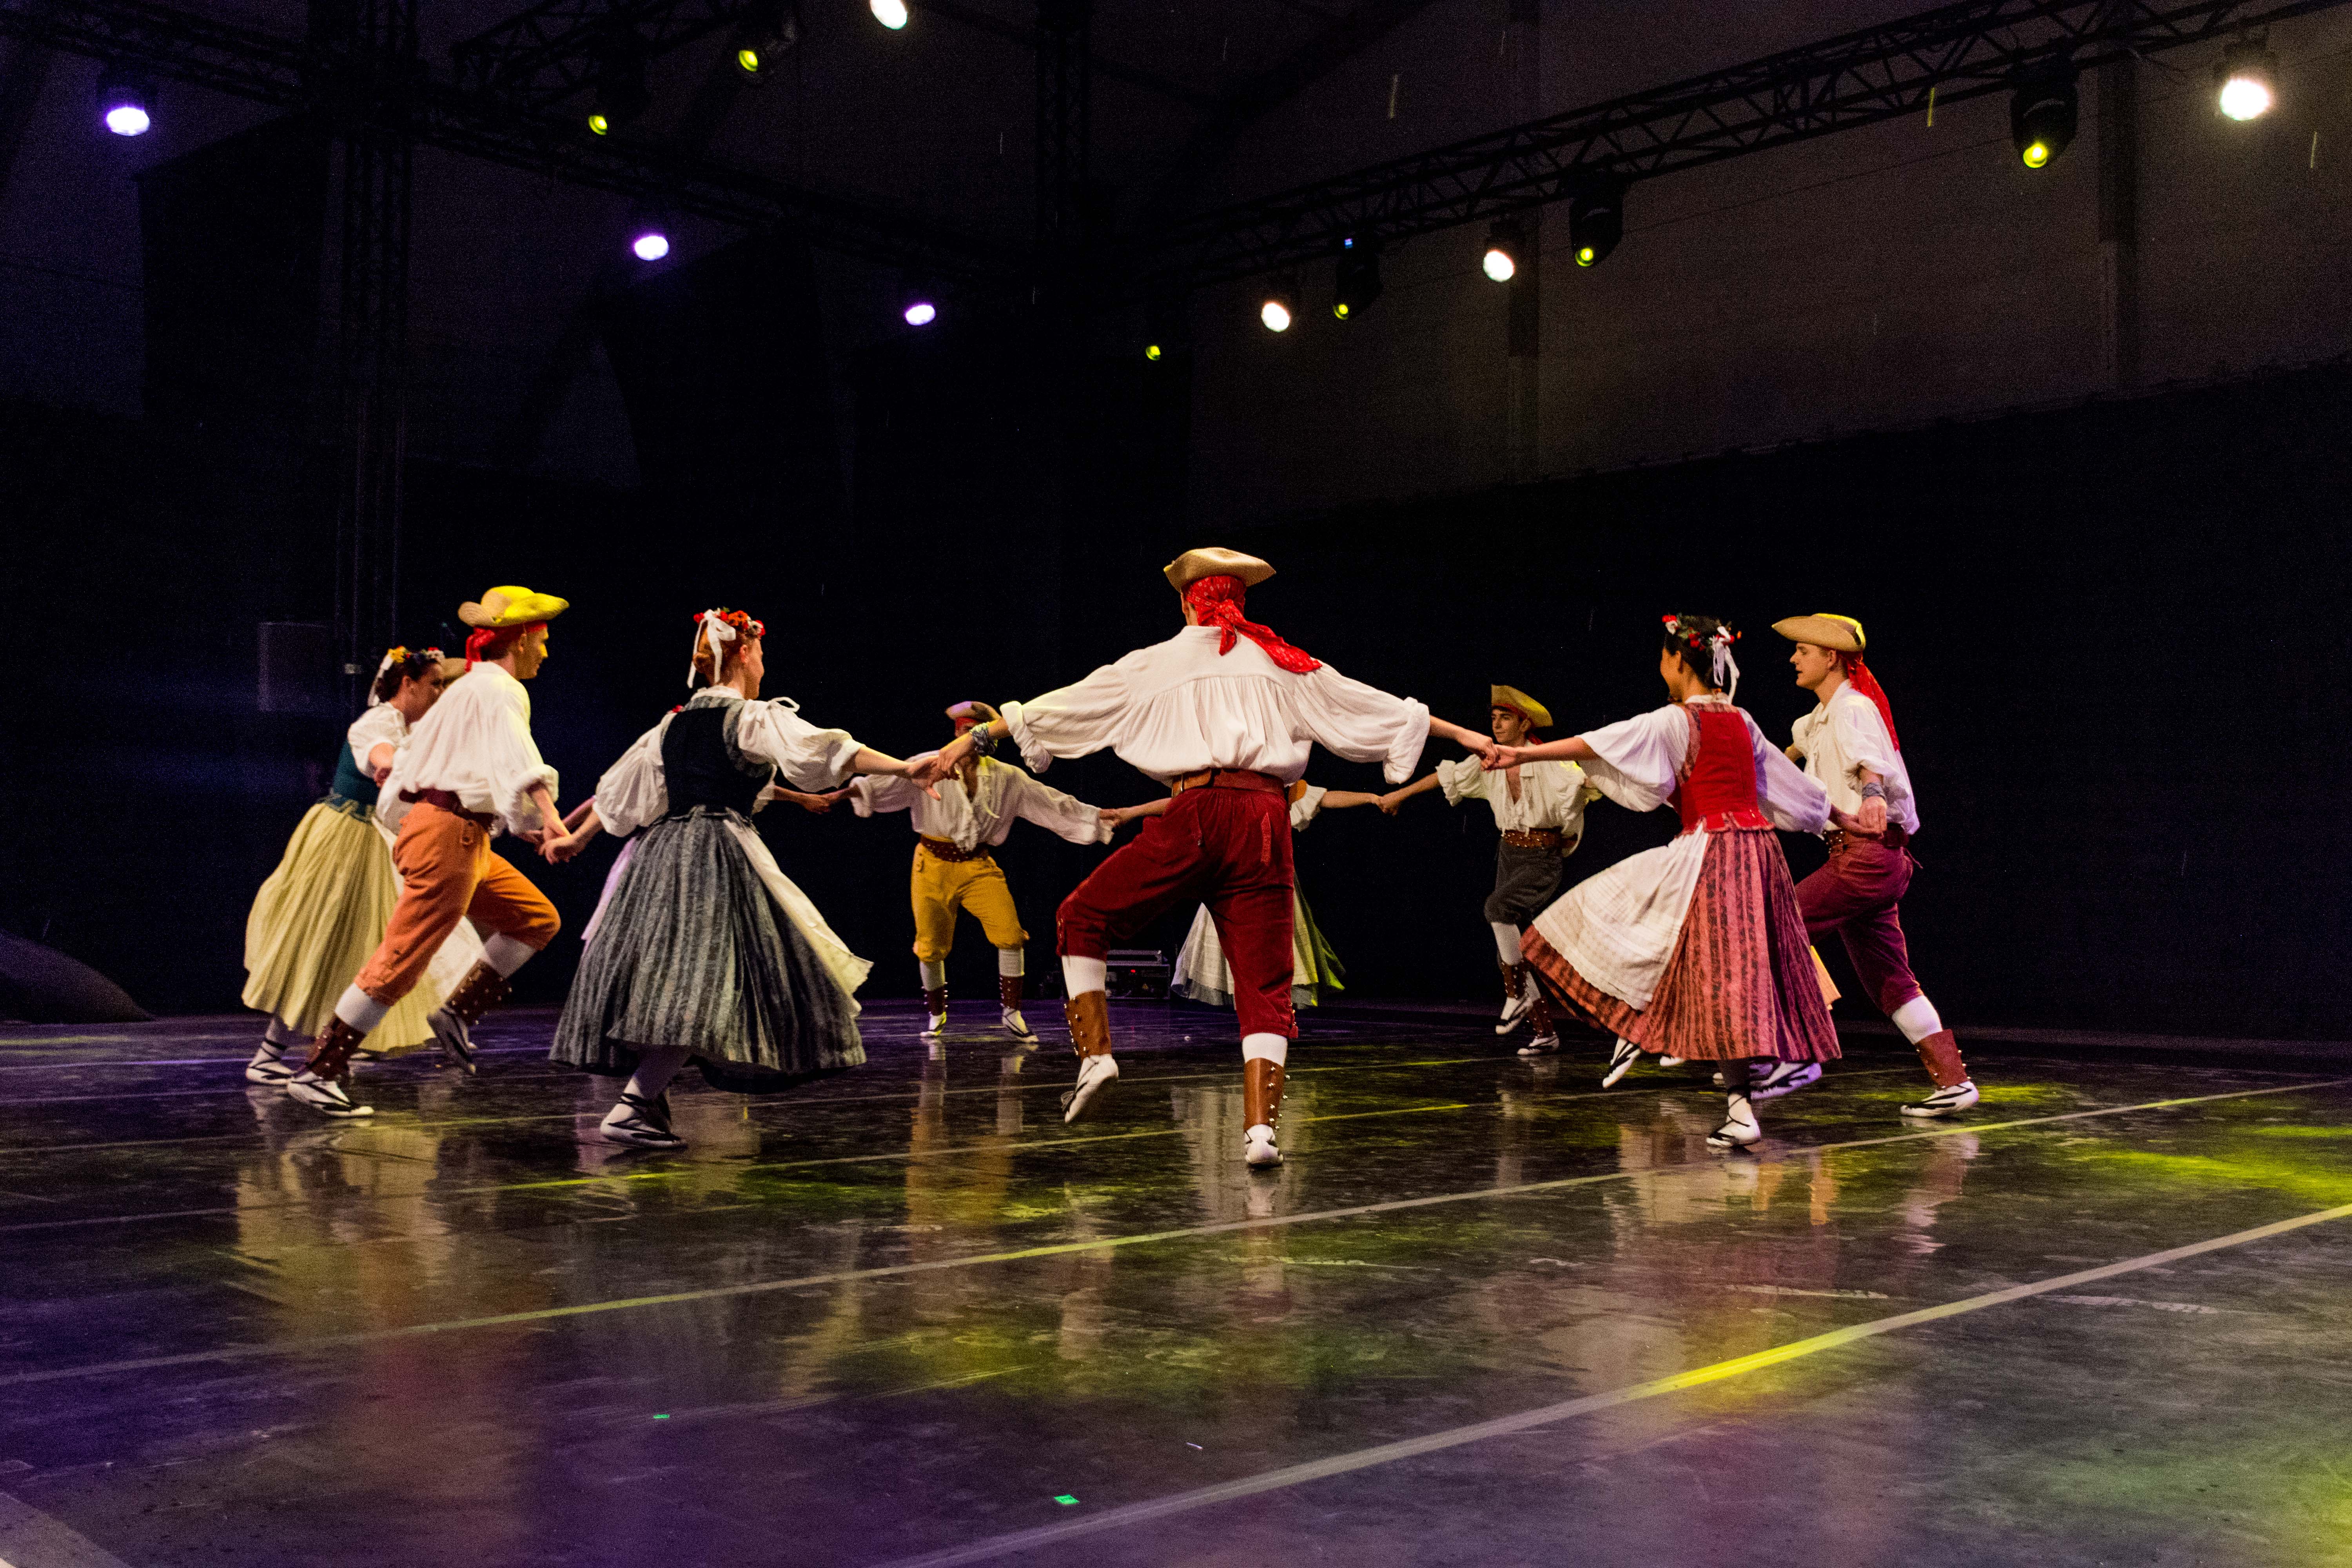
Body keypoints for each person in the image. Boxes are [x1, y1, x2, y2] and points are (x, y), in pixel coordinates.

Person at [923, 548, 1495, 1168]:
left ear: (1186, 601)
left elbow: (1059, 708)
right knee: (1265, 979)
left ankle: (1097, 1057)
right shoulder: (1286, 662)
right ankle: (1260, 1135)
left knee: (1081, 918)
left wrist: (974, 740)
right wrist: (1469, 737)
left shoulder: (1157, 663)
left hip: (1198, 811)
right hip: (1265, 820)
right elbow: (1376, 707)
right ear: (1240, 600)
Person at [541, 608, 934, 1151]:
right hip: (715, 853)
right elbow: (824, 750)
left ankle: (646, 1102)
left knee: (681, 979)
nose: (765, 664)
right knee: (704, 982)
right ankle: (633, 1106)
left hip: (662, 853)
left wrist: (576, 840)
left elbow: (621, 796)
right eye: (762, 653)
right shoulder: (749, 718)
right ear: (745, 652)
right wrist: (905, 768)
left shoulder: (669, 726)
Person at [1490, 615, 1838, 1151]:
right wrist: (1846, 817)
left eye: (1663, 657)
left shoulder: (1677, 721)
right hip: (1759, 852)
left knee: (1688, 959)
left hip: (1712, 853)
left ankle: (1755, 1069)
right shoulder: (1742, 720)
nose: (1660, 665)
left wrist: (1525, 752)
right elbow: (1793, 788)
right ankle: (1744, 1098)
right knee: (1729, 973)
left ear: (1679, 662)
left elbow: (1600, 743)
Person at [284, 587, 571, 1118]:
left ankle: (456, 1015)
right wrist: (551, 822)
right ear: (522, 639)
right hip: (448, 835)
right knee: (403, 956)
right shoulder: (499, 691)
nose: (546, 653)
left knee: (535, 918)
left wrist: (518, 823)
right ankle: (319, 1070)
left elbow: (476, 767)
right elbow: (521, 760)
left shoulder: (465, 693)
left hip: (459, 831)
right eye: (543, 641)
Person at [240, 646, 482, 1084]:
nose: (439, 692)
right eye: (434, 683)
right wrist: (392, 767)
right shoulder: (377, 721)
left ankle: (341, 1043)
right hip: (344, 839)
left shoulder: (416, 727)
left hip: (373, 840)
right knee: (320, 941)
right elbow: (380, 753)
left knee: (364, 947)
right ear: (407, 684)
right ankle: (270, 1053)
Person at [1777, 613, 1976, 1118]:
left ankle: (1787, 1054)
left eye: (1803, 650)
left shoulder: (1852, 707)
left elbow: (1871, 761)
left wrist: (1870, 793)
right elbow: (1788, 751)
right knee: (1889, 979)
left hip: (1866, 853)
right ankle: (1954, 1082)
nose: (1794, 658)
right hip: (1872, 857)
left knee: (1776, 927)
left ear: (1831, 657)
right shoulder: (1822, 715)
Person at [846, 701, 1109, 1044]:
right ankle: (936, 1014)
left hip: (978, 866)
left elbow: (1051, 803)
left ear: (985, 742)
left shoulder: (1005, 777)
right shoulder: (928, 764)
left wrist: (1101, 818)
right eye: (961, 734)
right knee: (931, 947)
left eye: (972, 736)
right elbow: (878, 787)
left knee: (1011, 934)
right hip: (932, 865)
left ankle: (1012, 1013)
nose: (964, 742)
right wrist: (842, 795)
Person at [1380, 684, 1599, 1057]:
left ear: (1524, 723)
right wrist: (1399, 795)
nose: (1496, 725)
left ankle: (1514, 995)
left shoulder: (1548, 760)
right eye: (1493, 718)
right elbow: (1447, 778)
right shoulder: (1489, 760)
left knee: (1497, 910)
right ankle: (1545, 1033)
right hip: (1509, 852)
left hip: (1542, 855)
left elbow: (1586, 783)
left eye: (1505, 718)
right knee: (1511, 947)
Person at [1120, 780, 1382, 1012]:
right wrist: (1130, 812)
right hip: (1230, 878)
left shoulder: (1276, 786)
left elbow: (1323, 797)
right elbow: (1177, 804)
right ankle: (1255, 1015)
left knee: (1274, 952)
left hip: (1272, 879)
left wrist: (1372, 798)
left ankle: (1272, 1013)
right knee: (1237, 954)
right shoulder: (1219, 786)